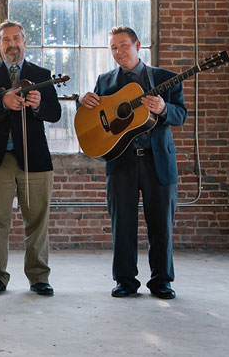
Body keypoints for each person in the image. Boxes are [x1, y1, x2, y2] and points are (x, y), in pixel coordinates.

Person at [80, 26, 186, 299]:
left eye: (124, 45)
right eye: (113, 47)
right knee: (122, 225)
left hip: (158, 161)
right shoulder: (104, 81)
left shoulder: (166, 78)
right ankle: (125, 280)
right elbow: (96, 118)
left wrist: (163, 109)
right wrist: (84, 101)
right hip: (121, 163)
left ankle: (162, 281)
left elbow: (181, 115)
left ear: (138, 45)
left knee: (161, 225)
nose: (119, 52)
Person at [0, 20, 61, 297]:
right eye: (5, 40)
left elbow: (54, 113)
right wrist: (2, 102)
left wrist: (37, 106)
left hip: (33, 157)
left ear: (25, 41)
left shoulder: (41, 73)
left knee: (37, 220)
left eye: (16, 39)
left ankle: (38, 277)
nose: (12, 44)